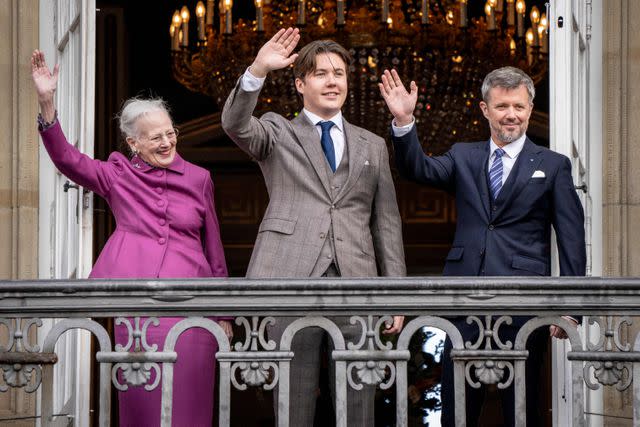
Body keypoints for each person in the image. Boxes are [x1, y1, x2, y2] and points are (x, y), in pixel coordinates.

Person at [31, 50, 232, 427]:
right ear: (133, 143)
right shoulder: (117, 175)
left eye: (171, 133)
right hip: (139, 307)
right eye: (155, 137)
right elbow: (68, 160)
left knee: (190, 405)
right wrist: (47, 103)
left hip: (193, 305)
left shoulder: (199, 178)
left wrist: (222, 312)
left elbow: (214, 248)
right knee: (143, 406)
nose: (167, 142)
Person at [379, 66, 586, 426]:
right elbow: (417, 170)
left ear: (529, 108)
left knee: (521, 408)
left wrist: (571, 306)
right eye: (503, 106)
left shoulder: (553, 165)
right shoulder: (464, 155)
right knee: (458, 408)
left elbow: (571, 235)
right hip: (463, 300)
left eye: (519, 107)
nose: (512, 115)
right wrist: (404, 121)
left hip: (524, 303)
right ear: (485, 109)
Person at [221, 28, 406, 425]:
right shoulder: (277, 130)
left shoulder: (372, 143)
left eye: (339, 73)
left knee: (359, 399)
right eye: (321, 73)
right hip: (289, 278)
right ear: (300, 83)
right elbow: (236, 124)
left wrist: (395, 292)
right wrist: (257, 69)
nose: (332, 81)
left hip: (357, 281)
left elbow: (386, 223)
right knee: (293, 400)